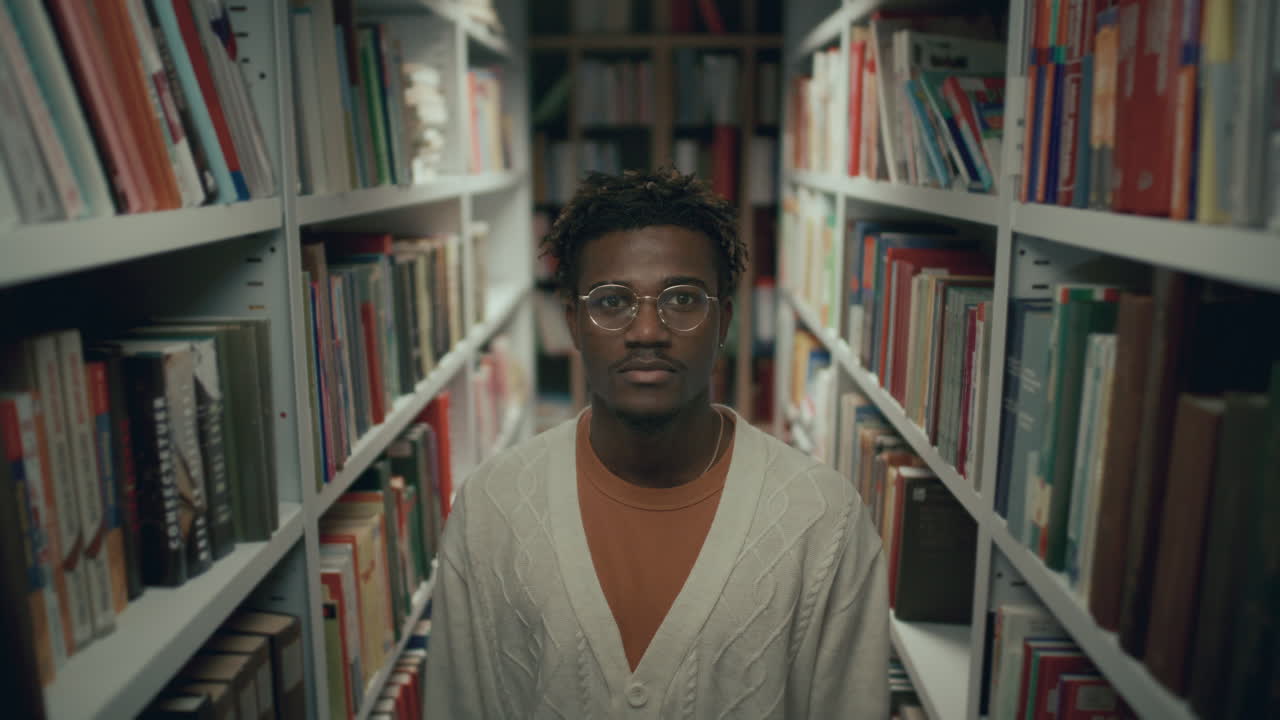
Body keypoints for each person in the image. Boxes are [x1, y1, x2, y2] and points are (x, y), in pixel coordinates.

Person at [425, 168, 888, 718]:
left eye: (683, 299)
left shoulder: (824, 521)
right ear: (573, 322)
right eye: (613, 301)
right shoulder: (490, 510)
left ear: (724, 322)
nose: (648, 331)